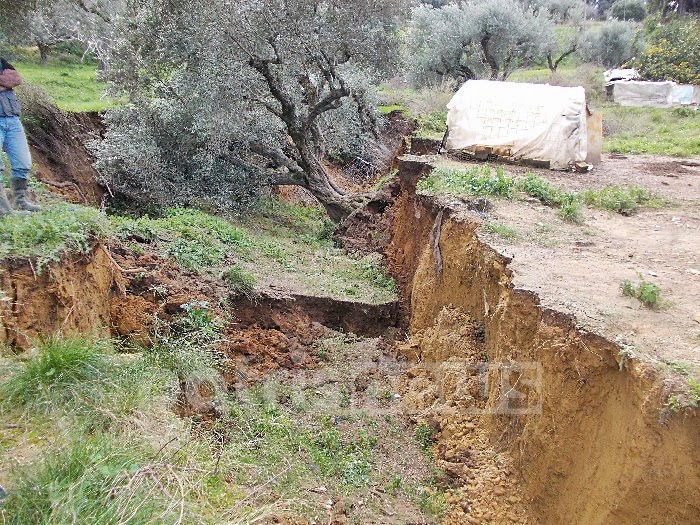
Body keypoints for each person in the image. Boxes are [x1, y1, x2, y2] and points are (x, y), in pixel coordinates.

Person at [0, 57, 41, 215]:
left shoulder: (1, 61)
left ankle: (19, 201)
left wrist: (6, 82)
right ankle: (4, 211)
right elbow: (9, 81)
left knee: (22, 163)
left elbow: (16, 79)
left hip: (12, 118)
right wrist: (4, 83)